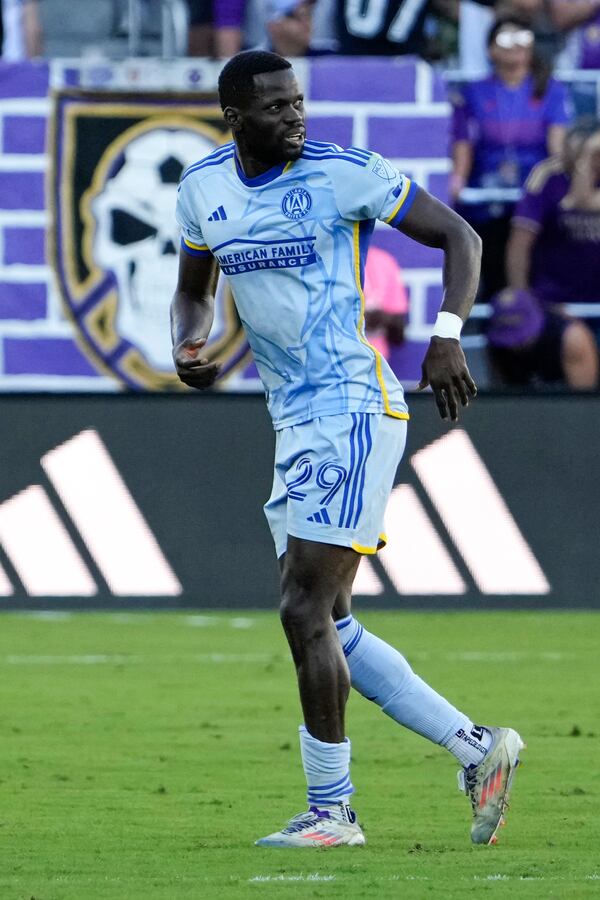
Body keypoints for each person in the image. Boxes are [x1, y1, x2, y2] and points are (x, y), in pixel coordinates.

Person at [171, 50, 524, 849]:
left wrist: (446, 337)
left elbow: (459, 236)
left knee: (301, 606)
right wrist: (190, 347)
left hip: (354, 406)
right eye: (276, 108)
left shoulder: (342, 173)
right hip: (292, 416)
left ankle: (334, 813)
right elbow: (194, 290)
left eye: (299, 103)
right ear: (235, 118)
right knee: (329, 618)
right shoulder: (203, 190)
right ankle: (479, 750)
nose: (295, 117)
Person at [450, 15, 572, 300]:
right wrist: (457, 181)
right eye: (506, 40)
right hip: (488, 198)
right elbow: (463, 145)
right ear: (491, 49)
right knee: (490, 261)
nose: (515, 47)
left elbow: (558, 149)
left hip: (535, 192)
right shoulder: (474, 92)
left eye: (522, 40)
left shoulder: (551, 90)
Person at [488, 119, 600, 389]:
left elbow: (584, 202)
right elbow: (519, 245)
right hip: (553, 305)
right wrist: (523, 299)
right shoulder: (547, 176)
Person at [363, 245, 409, 361]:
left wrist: (381, 318)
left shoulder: (383, 261)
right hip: (329, 362)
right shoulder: (324, 260)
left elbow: (399, 331)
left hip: (375, 362)